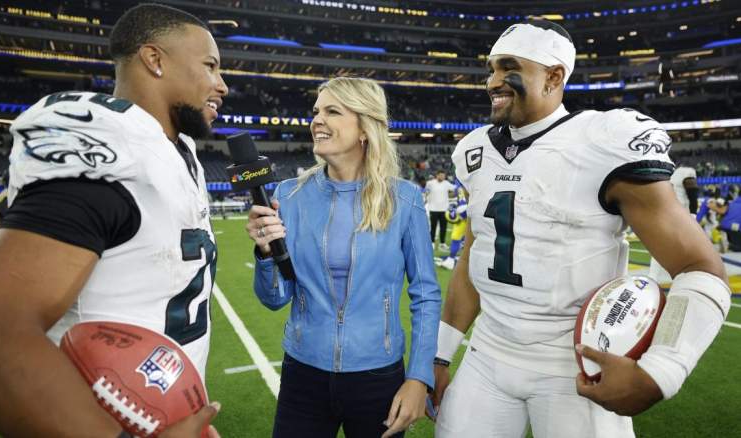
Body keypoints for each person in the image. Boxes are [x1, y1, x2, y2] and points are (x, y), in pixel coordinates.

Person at [431, 20, 731, 438]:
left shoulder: (602, 140)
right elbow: (475, 254)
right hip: (487, 353)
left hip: (575, 364)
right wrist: (441, 355)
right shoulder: (475, 149)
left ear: (554, 76)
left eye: (508, 67)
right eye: (491, 69)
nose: (493, 81)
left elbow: (700, 267)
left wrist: (662, 370)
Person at [0, 4, 228, 437]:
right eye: (210, 66)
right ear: (154, 60)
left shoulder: (179, 150)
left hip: (156, 400)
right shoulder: (110, 149)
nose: (222, 84)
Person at [247, 77, 441, 438]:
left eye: (332, 111)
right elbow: (274, 298)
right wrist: (264, 253)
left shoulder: (406, 200)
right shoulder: (289, 195)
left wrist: (418, 377)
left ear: (365, 128)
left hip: (379, 378)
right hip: (303, 374)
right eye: (316, 111)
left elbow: (426, 295)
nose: (316, 120)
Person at [648, 164, 699, 283]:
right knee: (685, 247)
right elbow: (693, 194)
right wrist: (693, 215)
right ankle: (683, 277)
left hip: (668, 212)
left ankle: (653, 276)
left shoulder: (671, 174)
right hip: (681, 215)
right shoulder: (687, 172)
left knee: (660, 246)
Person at [425, 170, 455, 252]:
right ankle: (432, 243)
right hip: (433, 209)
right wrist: (426, 199)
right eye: (441, 175)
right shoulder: (430, 183)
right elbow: (426, 192)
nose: (442, 177)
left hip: (444, 209)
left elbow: (454, 189)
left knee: (443, 227)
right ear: (437, 175)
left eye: (443, 176)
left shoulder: (446, 183)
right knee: (433, 227)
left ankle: (442, 243)